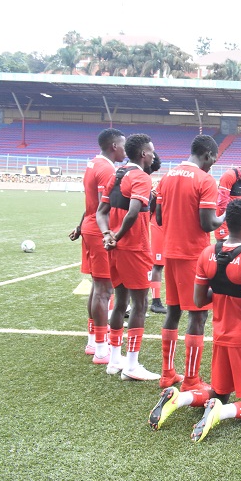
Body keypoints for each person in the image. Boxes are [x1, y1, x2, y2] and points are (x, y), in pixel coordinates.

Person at [149, 200, 241, 442]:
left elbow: (199, 300)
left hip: (221, 335)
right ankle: (222, 412)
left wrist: (223, 287)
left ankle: (182, 398)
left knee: (220, 391)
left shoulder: (208, 253)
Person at [156, 134, 225, 391]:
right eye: (213, 159)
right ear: (207, 154)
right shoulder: (205, 180)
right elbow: (208, 223)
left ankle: (167, 374)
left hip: (170, 252)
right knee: (197, 315)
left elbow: (160, 218)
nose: (213, 164)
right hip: (193, 255)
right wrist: (225, 215)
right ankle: (191, 380)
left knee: (173, 311)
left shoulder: (167, 176)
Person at [95, 133, 159, 380]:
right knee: (140, 305)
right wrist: (118, 236)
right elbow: (133, 214)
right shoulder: (141, 177)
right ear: (143, 154)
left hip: (114, 249)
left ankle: (114, 361)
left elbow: (101, 212)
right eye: (151, 151)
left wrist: (107, 236)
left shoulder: (117, 174)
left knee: (120, 302)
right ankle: (132, 366)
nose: (153, 155)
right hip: (135, 249)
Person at [69, 128, 126, 361]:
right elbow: (105, 207)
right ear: (114, 146)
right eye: (123, 145)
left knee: (97, 288)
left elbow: (92, 203)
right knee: (104, 290)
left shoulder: (93, 164)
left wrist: (80, 224)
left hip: (90, 228)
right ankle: (102, 349)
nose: (125, 150)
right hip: (100, 232)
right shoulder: (106, 169)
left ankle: (94, 341)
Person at [147, 152, 167, 314]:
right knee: (157, 265)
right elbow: (151, 208)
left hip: (169, 229)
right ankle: (155, 301)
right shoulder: (161, 185)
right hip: (159, 227)